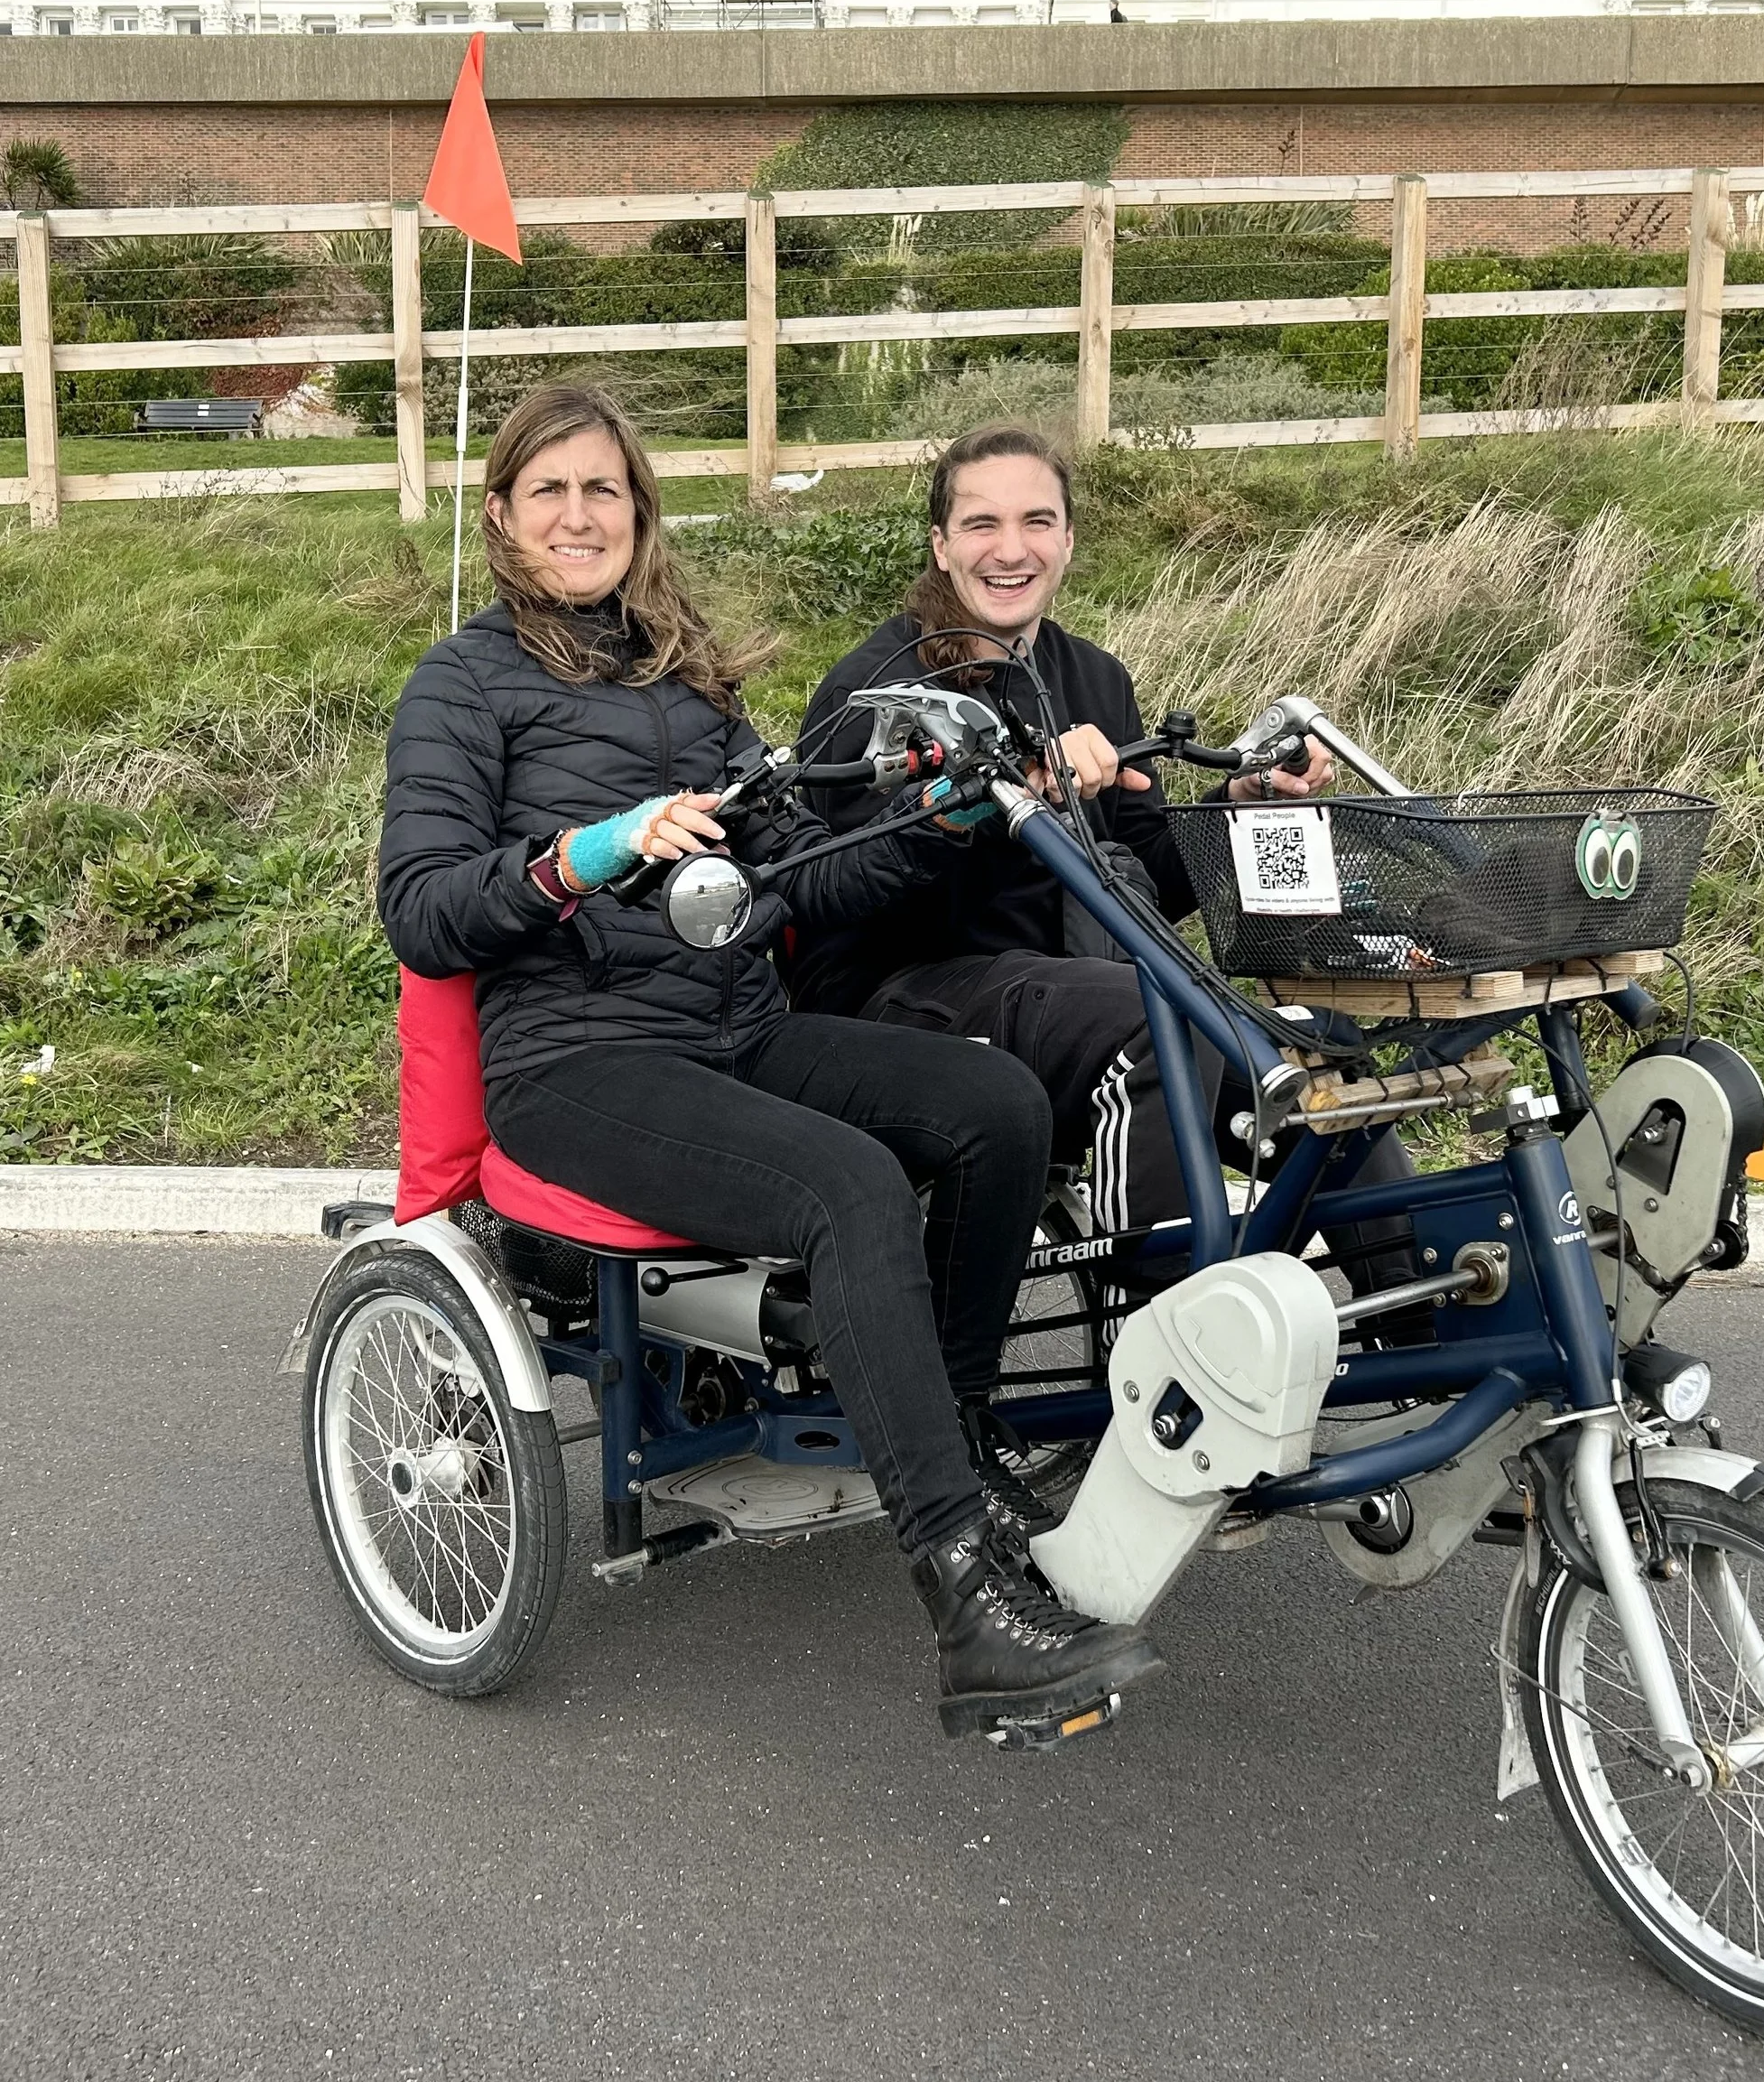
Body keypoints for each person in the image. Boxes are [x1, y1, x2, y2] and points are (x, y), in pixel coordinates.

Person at [376, 385, 1161, 1742]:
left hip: (734, 1022)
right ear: (501, 513)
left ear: (639, 515)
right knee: (850, 1184)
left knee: (995, 1102)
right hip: (577, 1058)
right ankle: (967, 1601)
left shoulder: (694, 686)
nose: (580, 515)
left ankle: (953, 1430)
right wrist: (583, 855)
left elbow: (801, 876)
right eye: (550, 490)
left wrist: (936, 817)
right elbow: (423, 905)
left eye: (604, 490)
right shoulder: (463, 683)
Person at [788, 426, 1420, 1513]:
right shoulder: (877, 695)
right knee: (1154, 1023)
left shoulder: (1091, 676)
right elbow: (840, 884)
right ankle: (1174, 1376)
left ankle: (1429, 1342)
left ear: (1069, 539)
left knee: (1316, 1046)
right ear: (940, 545)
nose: (1009, 546)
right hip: (908, 990)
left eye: (1035, 520)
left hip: (1067, 977)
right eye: (980, 521)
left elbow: (1141, 871)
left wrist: (1238, 804)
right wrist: (984, 803)